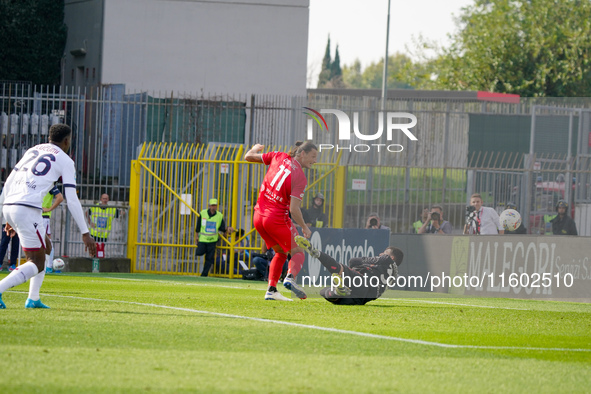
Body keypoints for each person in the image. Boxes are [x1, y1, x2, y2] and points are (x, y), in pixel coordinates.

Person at [0, 123, 96, 309]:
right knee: (36, 262)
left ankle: (33, 298)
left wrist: (6, 216)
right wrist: (85, 232)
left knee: (46, 247)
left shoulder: (32, 150)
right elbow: (71, 198)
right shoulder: (65, 160)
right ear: (67, 140)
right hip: (27, 208)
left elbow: (9, 180)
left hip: (11, 204)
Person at [244, 140, 318, 301]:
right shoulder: (300, 177)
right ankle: (290, 278)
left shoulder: (278, 156)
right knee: (298, 251)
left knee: (280, 252)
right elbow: (294, 209)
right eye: (313, 156)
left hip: (258, 217)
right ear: (302, 153)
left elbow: (248, 157)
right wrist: (305, 227)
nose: (315, 160)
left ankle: (271, 290)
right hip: (276, 218)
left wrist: (256, 148)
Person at [295, 236, 403, 305]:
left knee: (340, 268)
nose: (381, 254)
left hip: (363, 282)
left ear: (392, 257)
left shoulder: (387, 259)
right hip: (362, 299)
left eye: (385, 252)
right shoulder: (394, 277)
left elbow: (354, 260)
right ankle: (337, 292)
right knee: (326, 292)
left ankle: (317, 254)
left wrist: (361, 265)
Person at [195, 198, 234, 277]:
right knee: (199, 252)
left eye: (215, 205)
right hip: (203, 239)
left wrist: (227, 229)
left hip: (212, 240)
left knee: (209, 258)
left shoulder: (219, 215)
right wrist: (196, 236)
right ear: (209, 206)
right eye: (212, 205)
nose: (213, 207)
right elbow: (198, 226)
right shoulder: (203, 213)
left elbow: (222, 227)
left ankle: (204, 274)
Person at [42, 185, 64, 273]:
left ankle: (49, 266)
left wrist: (49, 209)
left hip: (43, 217)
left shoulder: (49, 185)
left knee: (47, 241)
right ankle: (44, 266)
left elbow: (60, 197)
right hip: (33, 216)